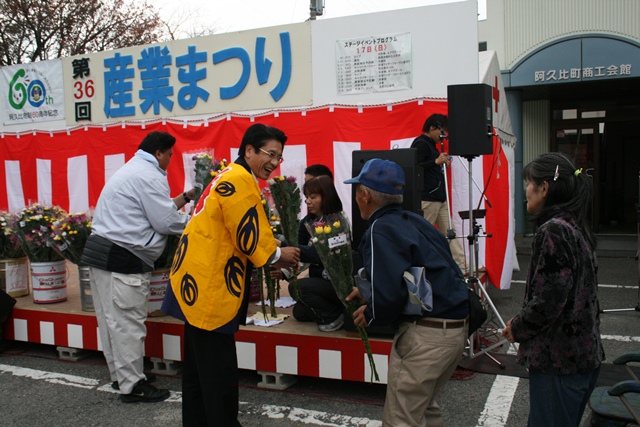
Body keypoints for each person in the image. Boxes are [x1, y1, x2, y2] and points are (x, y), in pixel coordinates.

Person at [161, 123, 300, 427]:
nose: (275, 163)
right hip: (210, 289)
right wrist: (279, 254)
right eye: (271, 154)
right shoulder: (239, 180)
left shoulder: (229, 175)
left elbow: (234, 228)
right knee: (219, 377)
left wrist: (269, 244)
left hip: (195, 282)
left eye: (279, 157)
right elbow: (249, 237)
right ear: (249, 150)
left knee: (198, 374)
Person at [344, 158, 469, 427]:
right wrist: (369, 293)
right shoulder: (417, 220)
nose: (356, 197)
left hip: (426, 335)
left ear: (365, 194)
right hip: (455, 329)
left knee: (401, 419)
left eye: (357, 191)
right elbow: (421, 275)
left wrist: (371, 311)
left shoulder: (380, 228)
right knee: (425, 410)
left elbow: (389, 297)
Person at [81, 131, 195, 403]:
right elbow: (166, 222)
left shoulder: (134, 169)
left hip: (101, 254)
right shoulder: (149, 175)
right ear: (159, 153)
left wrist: (186, 196)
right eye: (169, 155)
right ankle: (133, 386)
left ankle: (121, 375)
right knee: (127, 322)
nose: (169, 160)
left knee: (111, 321)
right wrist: (199, 223)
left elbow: (158, 210)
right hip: (122, 258)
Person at [501, 152, 604, 427]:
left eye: (529, 183)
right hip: (583, 356)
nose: (526, 190)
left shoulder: (553, 231)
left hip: (559, 361)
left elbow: (548, 300)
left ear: (544, 187)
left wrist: (518, 327)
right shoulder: (575, 225)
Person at [411, 113, 467, 273]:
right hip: (428, 198)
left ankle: (462, 267)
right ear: (432, 127)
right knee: (423, 234)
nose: (444, 135)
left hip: (439, 198)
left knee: (450, 233)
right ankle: (420, 267)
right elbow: (413, 166)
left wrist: (441, 163)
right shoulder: (421, 143)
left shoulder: (431, 146)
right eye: (442, 131)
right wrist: (435, 162)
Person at [289, 175, 345, 332]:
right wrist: (283, 270)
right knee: (299, 312)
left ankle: (334, 316)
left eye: (313, 197)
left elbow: (316, 254)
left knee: (297, 288)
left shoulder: (337, 222)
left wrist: (283, 245)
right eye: (306, 197)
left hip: (337, 284)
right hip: (319, 279)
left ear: (326, 197)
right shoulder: (307, 222)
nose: (307, 201)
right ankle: (330, 308)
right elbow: (301, 252)